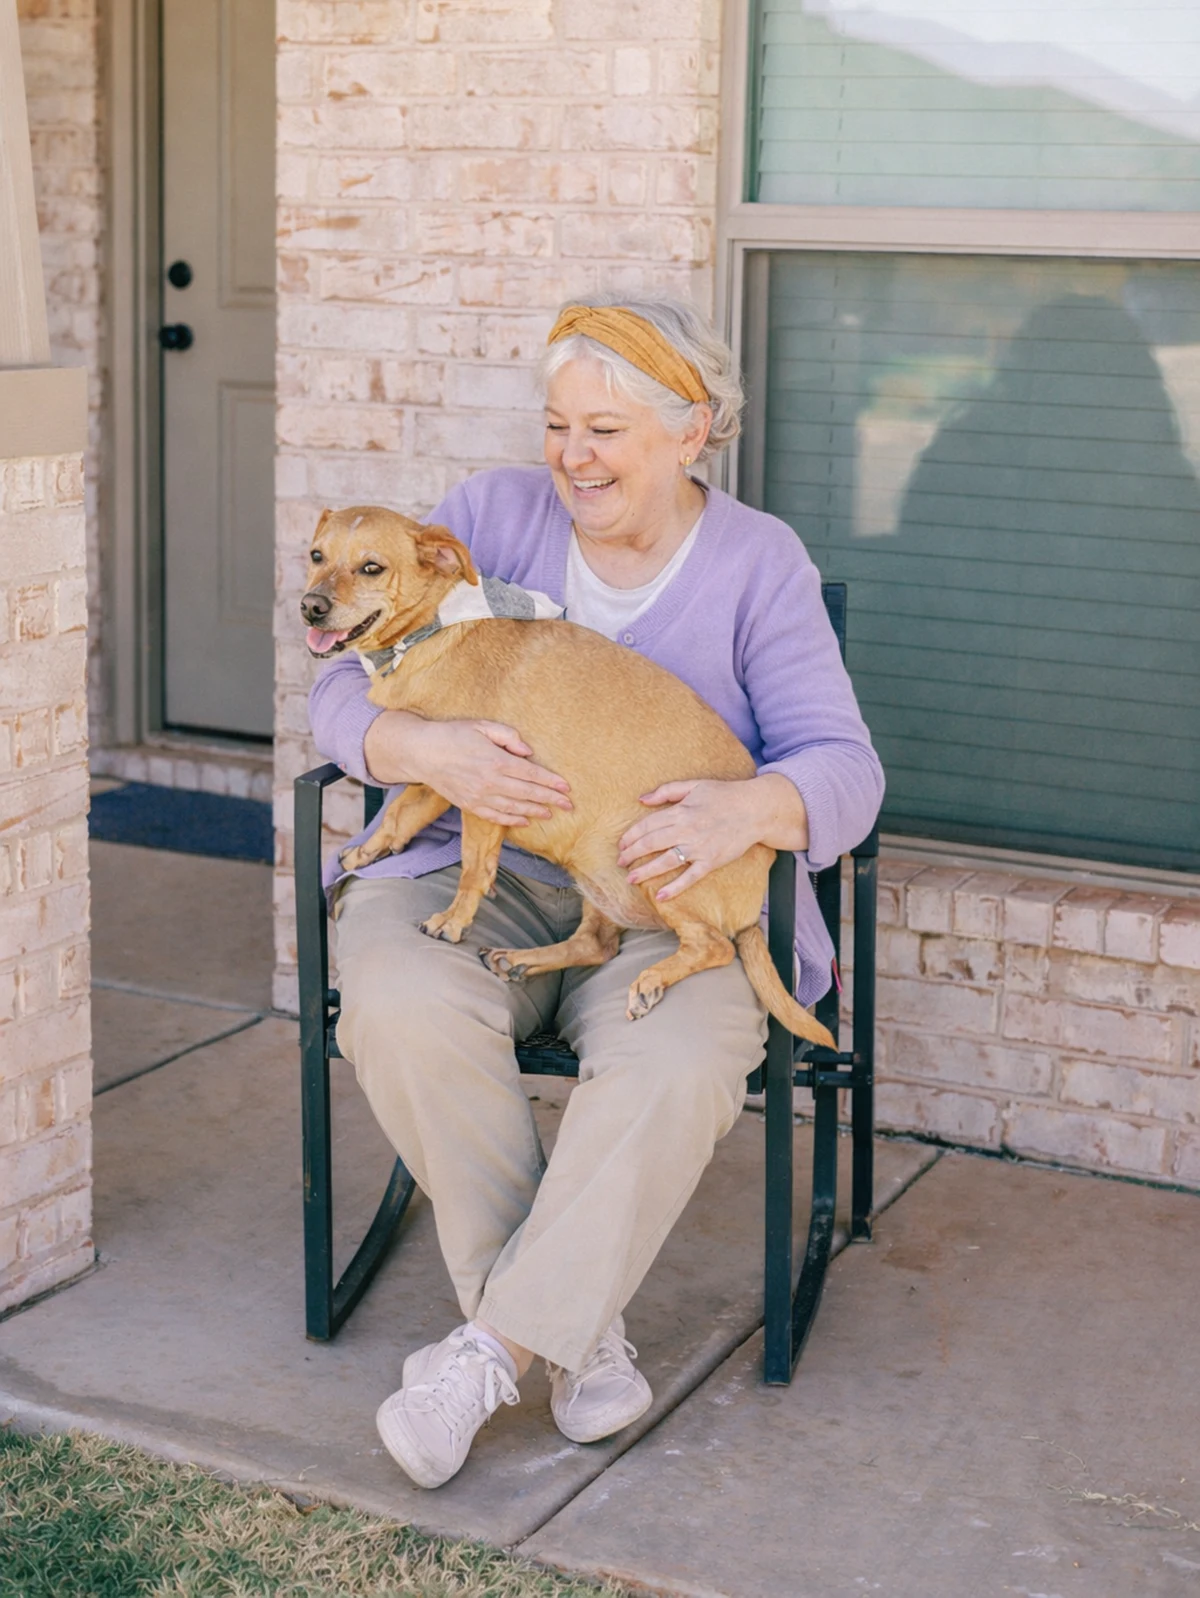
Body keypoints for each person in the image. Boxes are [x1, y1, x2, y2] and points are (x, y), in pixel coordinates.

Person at [308, 294, 884, 1489]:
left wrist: (748, 806)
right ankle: (578, 1324)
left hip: (672, 892)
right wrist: (423, 751)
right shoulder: (484, 516)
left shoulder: (757, 560)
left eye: (608, 430)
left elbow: (844, 765)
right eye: (560, 423)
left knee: (673, 1062)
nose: (573, 455)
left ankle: (494, 1345)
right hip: (481, 873)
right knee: (400, 998)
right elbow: (337, 695)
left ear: (694, 432)